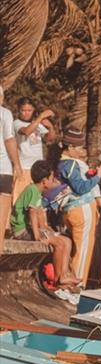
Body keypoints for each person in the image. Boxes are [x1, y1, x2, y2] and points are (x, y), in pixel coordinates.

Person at [10, 160, 78, 288]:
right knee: (58, 243)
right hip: (22, 231)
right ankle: (59, 277)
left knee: (66, 241)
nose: (54, 181)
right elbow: (33, 213)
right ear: (44, 181)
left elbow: (40, 214)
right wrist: (37, 236)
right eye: (52, 178)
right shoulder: (32, 190)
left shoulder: (37, 192)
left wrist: (47, 229)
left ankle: (64, 275)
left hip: (31, 229)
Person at [56, 129, 101, 284]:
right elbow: (81, 188)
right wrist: (98, 176)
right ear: (70, 148)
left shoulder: (60, 163)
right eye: (79, 148)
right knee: (83, 250)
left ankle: (71, 282)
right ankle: (77, 285)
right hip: (82, 208)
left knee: (77, 249)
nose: (83, 151)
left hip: (70, 210)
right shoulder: (71, 164)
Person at [12, 98, 56, 202]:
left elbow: (50, 138)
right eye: (23, 110)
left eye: (29, 110)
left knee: (35, 201)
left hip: (37, 169)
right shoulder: (16, 123)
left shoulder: (37, 123)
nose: (26, 113)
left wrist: (50, 127)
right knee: (20, 199)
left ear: (33, 110)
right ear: (18, 110)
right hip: (23, 168)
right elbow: (26, 131)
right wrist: (41, 116)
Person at [0, 86, 23, 257]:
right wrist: (17, 165)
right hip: (3, 170)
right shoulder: (4, 113)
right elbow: (9, 139)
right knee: (1, 218)